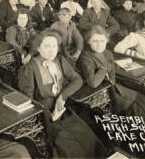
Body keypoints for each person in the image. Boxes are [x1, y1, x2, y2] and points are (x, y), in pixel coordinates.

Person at [18, 30, 107, 158]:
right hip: (44, 117)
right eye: (47, 46)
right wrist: (50, 116)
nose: (51, 50)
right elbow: (28, 101)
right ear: (38, 48)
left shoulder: (59, 60)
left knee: (88, 138)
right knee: (69, 148)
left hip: (63, 109)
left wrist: (62, 96)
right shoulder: (30, 68)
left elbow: (77, 79)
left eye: (54, 46)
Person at [78, 26, 145, 116]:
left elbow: (112, 74)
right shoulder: (85, 58)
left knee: (143, 100)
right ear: (89, 41)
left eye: (102, 41)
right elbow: (93, 83)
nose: (99, 44)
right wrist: (103, 68)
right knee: (134, 108)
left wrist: (112, 83)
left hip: (112, 87)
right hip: (97, 93)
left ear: (107, 41)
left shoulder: (108, 53)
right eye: (95, 41)